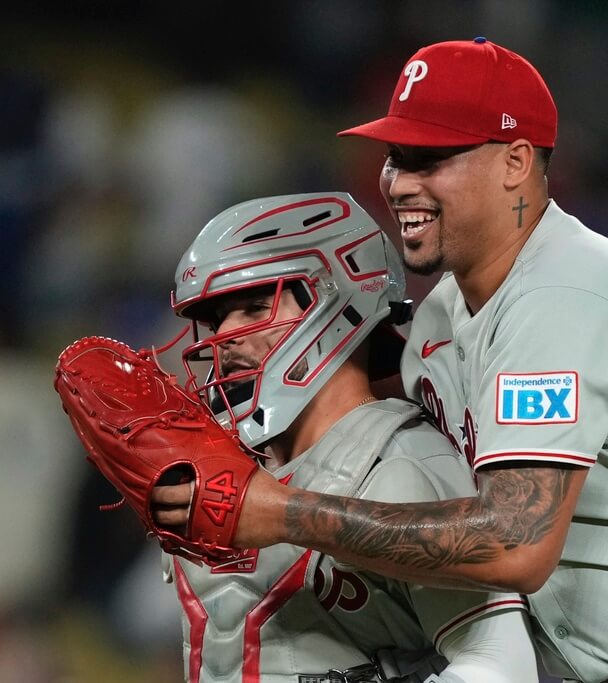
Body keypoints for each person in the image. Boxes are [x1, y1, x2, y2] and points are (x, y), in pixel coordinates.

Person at [159, 39, 608, 682]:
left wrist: (279, 511)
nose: (400, 181)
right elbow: (340, 404)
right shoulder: (444, 312)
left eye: (432, 157)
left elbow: (515, 541)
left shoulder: (564, 289)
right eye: (396, 156)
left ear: (516, 162)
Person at [152, 191, 539, 682]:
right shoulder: (208, 464)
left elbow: (503, 666)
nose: (224, 337)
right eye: (214, 320)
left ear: (336, 303)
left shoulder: (402, 463)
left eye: (253, 307)